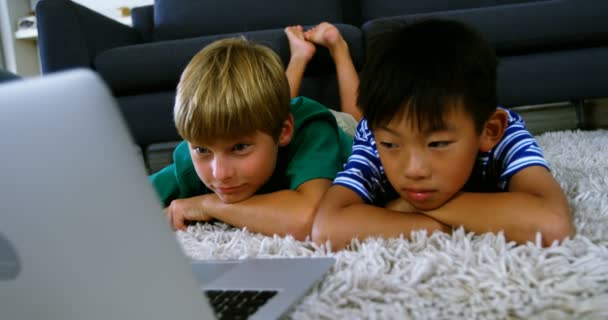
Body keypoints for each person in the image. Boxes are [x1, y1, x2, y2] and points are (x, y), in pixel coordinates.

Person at [312, 18, 575, 250]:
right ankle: (339, 50)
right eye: (391, 144)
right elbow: (328, 228)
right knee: (357, 120)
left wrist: (408, 208)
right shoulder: (373, 139)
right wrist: (459, 225)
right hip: (360, 126)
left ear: (489, 130)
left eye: (437, 143)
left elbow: (552, 224)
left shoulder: (505, 133)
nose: (413, 170)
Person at [150, 36, 352, 241]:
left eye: (239, 147)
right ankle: (299, 55)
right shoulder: (195, 153)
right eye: (202, 150)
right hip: (276, 123)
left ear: (285, 131)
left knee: (364, 122)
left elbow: (310, 219)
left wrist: (206, 204)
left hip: (343, 126)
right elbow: (124, 204)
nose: (220, 174)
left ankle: (337, 49)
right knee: (264, 115)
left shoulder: (312, 131)